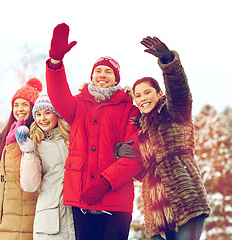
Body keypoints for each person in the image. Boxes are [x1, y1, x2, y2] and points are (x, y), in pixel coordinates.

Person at [45, 23, 144, 240]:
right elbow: (57, 93)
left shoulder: (130, 110)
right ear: (91, 76)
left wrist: (104, 183)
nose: (102, 74)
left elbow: (135, 155)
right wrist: (55, 62)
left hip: (116, 199)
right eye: (98, 70)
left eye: (108, 71)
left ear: (116, 79)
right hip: (81, 196)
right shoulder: (77, 105)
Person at [129, 36, 210, 239]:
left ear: (159, 93)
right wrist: (126, 154)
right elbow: (142, 174)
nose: (143, 98)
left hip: (185, 199)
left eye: (147, 92)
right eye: (137, 95)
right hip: (157, 211)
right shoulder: (141, 130)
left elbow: (180, 91)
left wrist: (168, 63)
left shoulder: (175, 113)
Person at [15, 93, 75, 240]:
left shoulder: (72, 138)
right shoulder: (36, 143)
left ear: (57, 114)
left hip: (76, 214)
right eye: (38, 114)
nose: (42, 118)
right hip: (50, 218)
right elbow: (30, 186)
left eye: (47, 113)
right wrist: (28, 152)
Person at [0, 78, 42, 240]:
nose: (19, 109)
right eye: (16, 105)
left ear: (33, 107)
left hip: (24, 206)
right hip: (3, 207)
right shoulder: (8, 133)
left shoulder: (36, 133)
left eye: (25, 104)